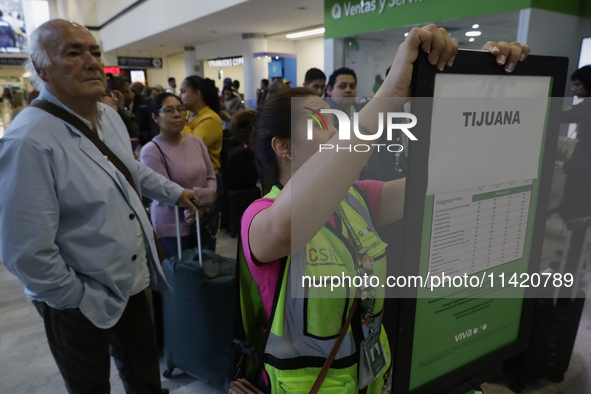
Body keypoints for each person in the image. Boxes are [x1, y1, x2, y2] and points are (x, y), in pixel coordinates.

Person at [234, 24, 529, 393]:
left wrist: (481, 91)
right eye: (322, 122)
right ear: (284, 146)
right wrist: (389, 96)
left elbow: (454, 176)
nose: (337, 128)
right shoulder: (260, 217)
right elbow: (286, 228)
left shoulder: (357, 198)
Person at [0, 19, 199, 394]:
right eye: (74, 53)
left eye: (94, 51)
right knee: (90, 386)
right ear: (42, 68)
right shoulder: (28, 141)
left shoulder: (107, 117)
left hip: (132, 282)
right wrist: (76, 298)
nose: (92, 61)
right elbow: (24, 250)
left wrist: (174, 192)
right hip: (77, 300)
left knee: (144, 377)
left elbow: (128, 168)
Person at [140, 93, 217, 256]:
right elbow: (165, 191)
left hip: (203, 221)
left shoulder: (196, 142)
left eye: (180, 109)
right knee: (181, 277)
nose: (177, 114)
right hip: (171, 227)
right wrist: (203, 199)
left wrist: (202, 208)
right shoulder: (151, 151)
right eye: (168, 110)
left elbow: (211, 176)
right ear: (155, 117)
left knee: (208, 272)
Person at [556, 65, 591, 222]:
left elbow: (560, 116)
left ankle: (574, 247)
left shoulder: (587, 106)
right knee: (583, 212)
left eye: (577, 84)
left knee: (571, 212)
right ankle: (575, 247)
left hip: (583, 171)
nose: (573, 89)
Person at [180, 75, 223, 175]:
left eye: (183, 92)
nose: (179, 96)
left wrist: (181, 121)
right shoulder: (186, 115)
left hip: (207, 178)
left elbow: (193, 147)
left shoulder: (210, 118)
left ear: (196, 94)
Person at [108, 76, 156, 145]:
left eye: (115, 96)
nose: (114, 100)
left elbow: (153, 133)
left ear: (126, 92)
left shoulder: (147, 104)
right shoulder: (121, 109)